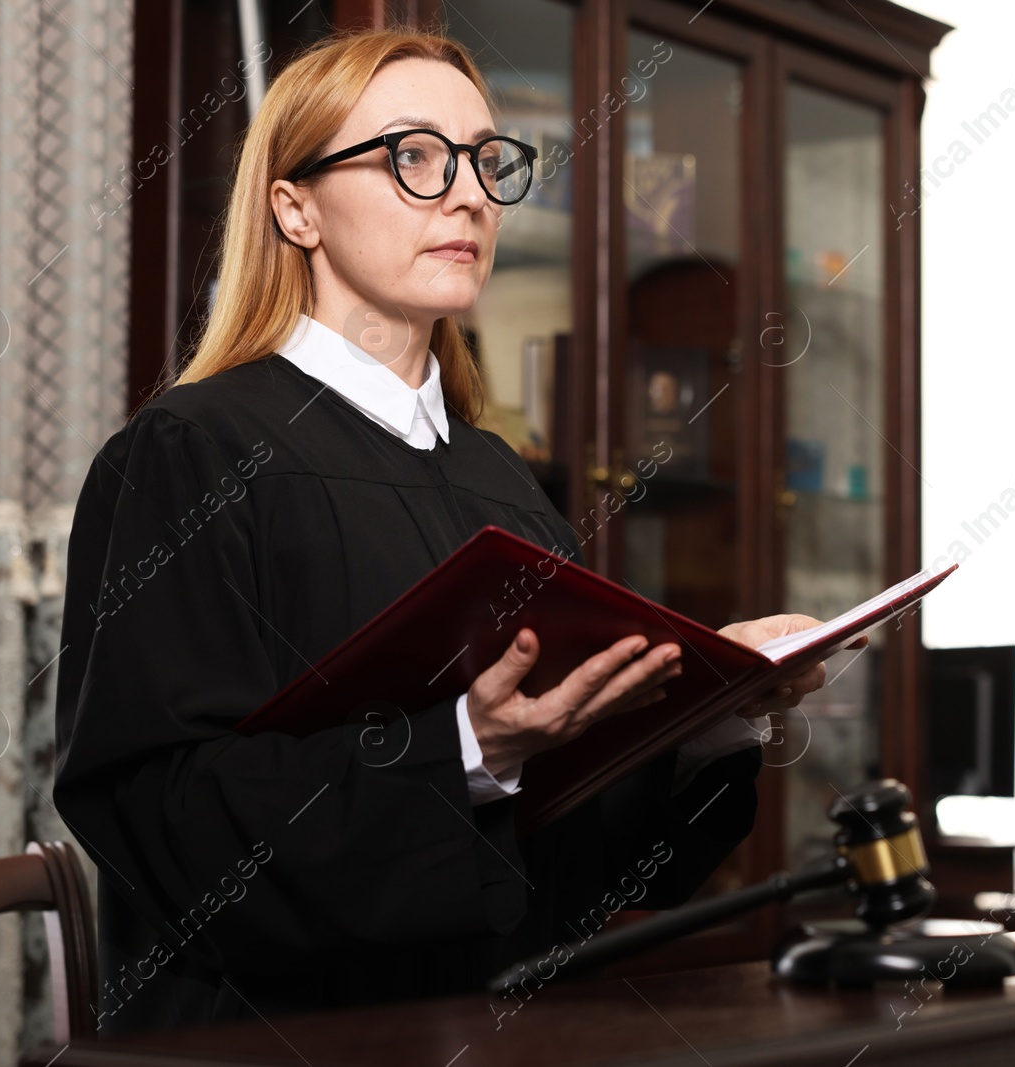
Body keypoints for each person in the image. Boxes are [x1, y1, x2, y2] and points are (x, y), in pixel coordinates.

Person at [52, 27, 842, 1033]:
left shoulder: (500, 480)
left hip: (501, 1026)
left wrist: (714, 707)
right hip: (268, 1037)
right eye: (411, 157)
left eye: (484, 159)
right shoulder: (189, 455)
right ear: (295, 208)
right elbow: (159, 809)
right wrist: (463, 747)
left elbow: (578, 856)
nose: (468, 193)